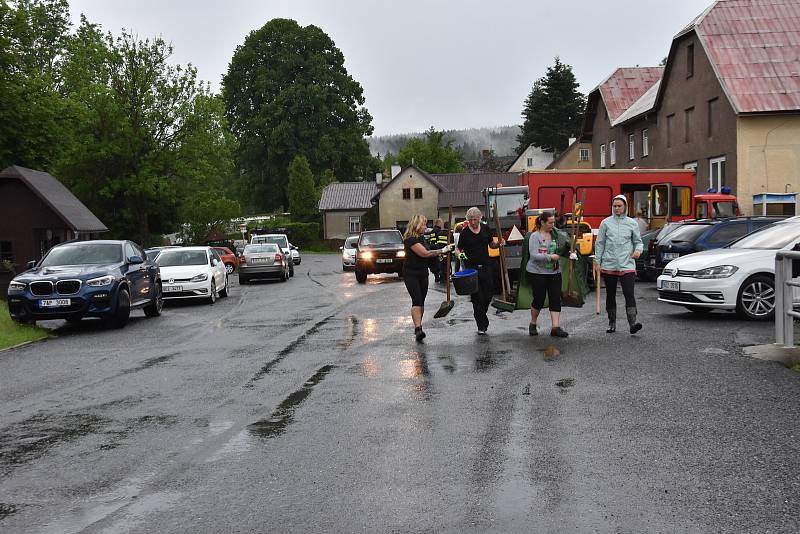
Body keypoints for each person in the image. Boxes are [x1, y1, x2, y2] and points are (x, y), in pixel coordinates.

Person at [594, 194, 644, 334]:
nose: (616, 208)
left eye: (619, 206)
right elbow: (600, 243)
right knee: (610, 295)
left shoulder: (632, 223)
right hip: (609, 264)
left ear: (625, 207)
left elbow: (638, 241)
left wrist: (638, 251)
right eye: (614, 206)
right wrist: (598, 261)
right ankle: (612, 323)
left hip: (627, 263)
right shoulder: (606, 223)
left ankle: (632, 323)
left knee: (629, 293)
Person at [522, 211, 573, 337]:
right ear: (542, 222)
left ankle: (555, 328)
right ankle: (533, 323)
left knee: (555, 298)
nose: (552, 225)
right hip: (537, 272)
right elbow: (534, 255)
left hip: (554, 271)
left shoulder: (557, 235)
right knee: (538, 299)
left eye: (553, 222)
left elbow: (564, 246)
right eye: (550, 222)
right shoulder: (534, 236)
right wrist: (550, 257)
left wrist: (571, 252)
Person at [403, 214, 452, 342]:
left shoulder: (422, 239)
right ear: (417, 225)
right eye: (424, 224)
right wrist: (441, 250)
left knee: (422, 301)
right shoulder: (410, 240)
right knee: (417, 299)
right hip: (411, 274)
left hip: (423, 273)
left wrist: (442, 253)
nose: (426, 227)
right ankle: (418, 329)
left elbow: (430, 250)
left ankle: (419, 326)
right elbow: (424, 253)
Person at [455, 207, 502, 335]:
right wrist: (460, 256)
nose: (473, 222)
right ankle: (481, 324)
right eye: (470, 220)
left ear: (480, 218)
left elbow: (491, 244)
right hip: (472, 268)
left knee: (488, 295)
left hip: (486, 266)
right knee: (477, 298)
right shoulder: (465, 233)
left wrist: (498, 244)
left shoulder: (485, 228)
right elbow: (458, 249)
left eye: (475, 219)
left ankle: (482, 315)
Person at [427, 218, 448, 282]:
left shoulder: (432, 231)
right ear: (438, 223)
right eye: (441, 223)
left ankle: (436, 276)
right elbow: (441, 241)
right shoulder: (439, 231)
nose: (442, 224)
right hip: (438, 249)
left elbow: (430, 240)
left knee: (433, 263)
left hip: (431, 248)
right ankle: (442, 277)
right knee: (440, 263)